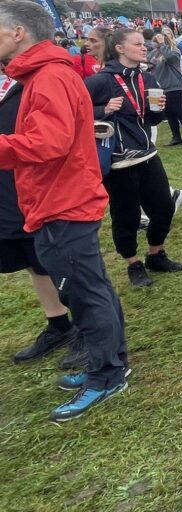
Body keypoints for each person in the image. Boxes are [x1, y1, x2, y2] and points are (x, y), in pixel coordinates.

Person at [0, 0, 129, 422]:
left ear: (19, 32)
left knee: (84, 291)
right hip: (57, 198)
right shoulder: (44, 73)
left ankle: (107, 373)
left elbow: (47, 143)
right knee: (89, 287)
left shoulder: (49, 75)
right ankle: (110, 359)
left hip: (64, 201)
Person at [86, 29, 182, 287]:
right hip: (118, 162)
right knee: (126, 216)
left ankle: (155, 254)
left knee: (164, 207)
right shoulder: (100, 81)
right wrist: (102, 109)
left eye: (145, 43)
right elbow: (75, 113)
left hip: (147, 154)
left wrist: (158, 110)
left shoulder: (147, 77)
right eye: (138, 44)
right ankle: (133, 265)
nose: (145, 48)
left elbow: (150, 119)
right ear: (119, 48)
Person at [1, 59, 83, 367]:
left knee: (57, 258)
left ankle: (87, 331)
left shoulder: (36, 80)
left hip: (36, 183)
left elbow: (51, 141)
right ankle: (58, 323)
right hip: (8, 186)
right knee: (28, 257)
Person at [148, 31, 182, 146]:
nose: (154, 44)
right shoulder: (155, 53)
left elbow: (171, 58)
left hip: (173, 85)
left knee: (179, 111)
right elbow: (148, 62)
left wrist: (162, 45)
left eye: (156, 42)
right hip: (162, 86)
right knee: (169, 113)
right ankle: (176, 137)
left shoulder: (173, 51)